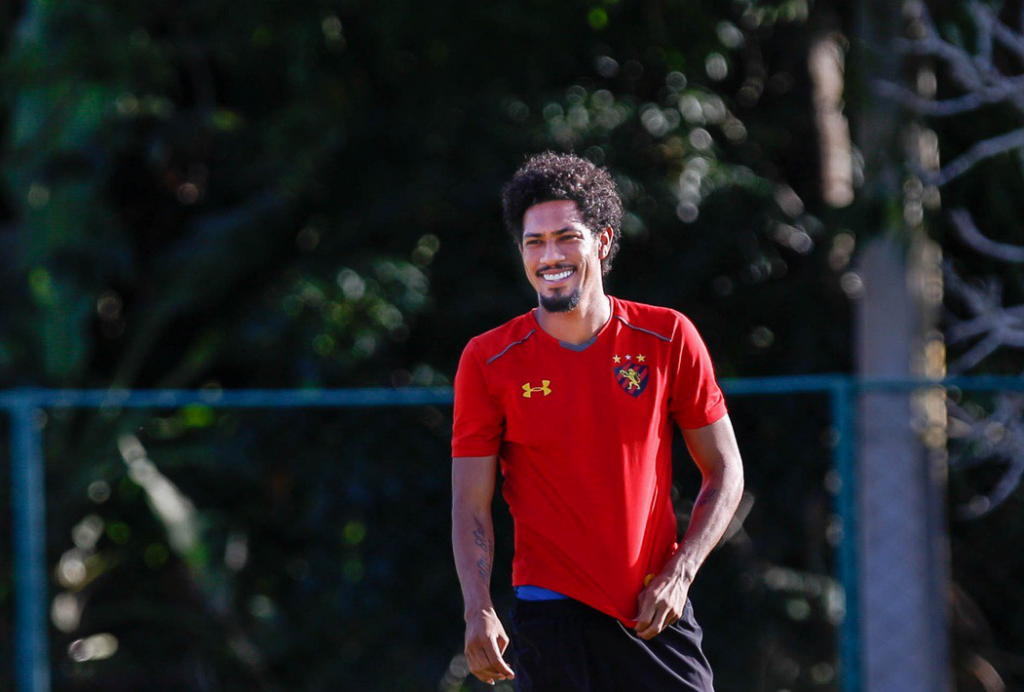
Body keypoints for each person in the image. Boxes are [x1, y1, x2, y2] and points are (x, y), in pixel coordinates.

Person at [451, 151, 744, 691]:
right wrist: (477, 609)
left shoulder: (668, 337)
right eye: (534, 242)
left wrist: (681, 574)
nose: (550, 256)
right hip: (551, 619)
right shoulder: (487, 360)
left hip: (653, 613)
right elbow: (471, 503)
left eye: (567, 237)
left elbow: (726, 471)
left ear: (603, 242)